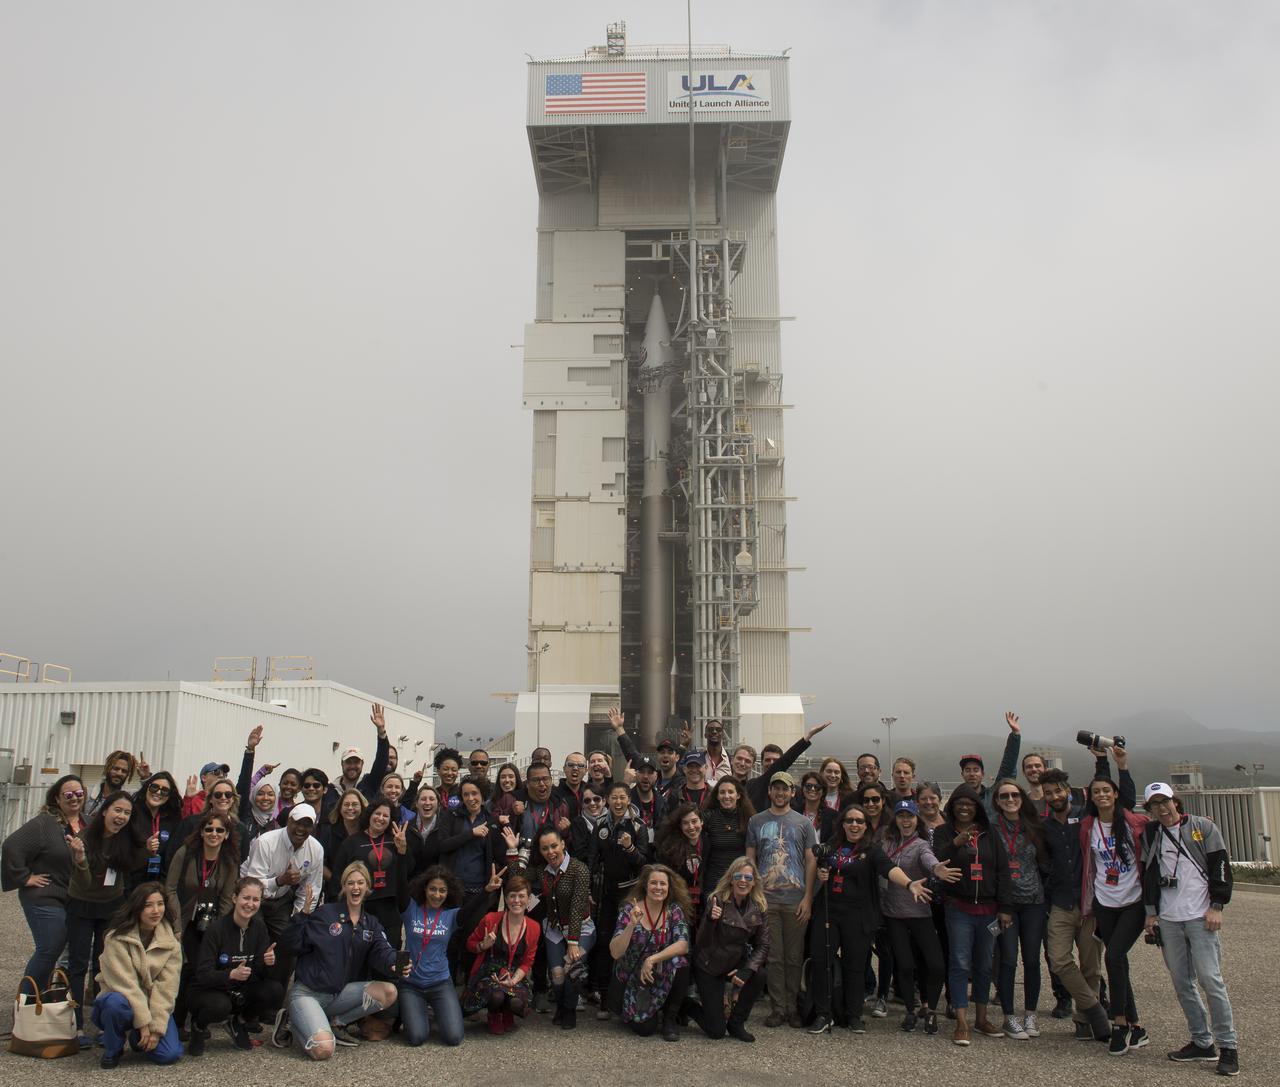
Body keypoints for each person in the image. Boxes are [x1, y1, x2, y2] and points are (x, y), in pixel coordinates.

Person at [807, 802, 936, 1034]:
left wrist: (909, 884)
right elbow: (818, 865)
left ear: (866, 826)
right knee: (821, 961)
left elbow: (887, 868)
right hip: (829, 911)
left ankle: (854, 1014)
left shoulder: (873, 850)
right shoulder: (831, 845)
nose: (854, 825)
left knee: (855, 966)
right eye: (850, 821)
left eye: (859, 821)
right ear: (842, 824)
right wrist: (821, 872)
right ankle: (823, 1013)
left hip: (858, 914)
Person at [1140, 782, 1239, 1076]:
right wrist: (1151, 914)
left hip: (1201, 915)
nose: (1162, 808)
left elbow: (1220, 864)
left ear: (1175, 801)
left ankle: (1228, 1046)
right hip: (1169, 918)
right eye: (1154, 805)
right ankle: (1201, 1040)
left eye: (1165, 801)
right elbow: (1148, 873)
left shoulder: (1201, 827)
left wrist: (1217, 905)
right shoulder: (1151, 833)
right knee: (1182, 981)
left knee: (1211, 980)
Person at [276, 863, 407, 1059]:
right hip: (309, 993)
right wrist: (301, 916)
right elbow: (291, 945)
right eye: (350, 883)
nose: (356, 887)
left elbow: (383, 951)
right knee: (324, 1050)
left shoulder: (370, 923)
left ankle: (335, 1022)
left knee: (389, 992)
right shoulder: (325, 914)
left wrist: (394, 962)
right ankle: (292, 1020)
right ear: (344, 887)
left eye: (360, 883)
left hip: (338, 995)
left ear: (367, 887)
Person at [1080, 746, 1150, 1056]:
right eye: (1097, 791)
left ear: (1115, 794)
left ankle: (1120, 1024)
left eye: (1107, 790)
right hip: (1104, 903)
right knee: (1118, 961)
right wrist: (1098, 762)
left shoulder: (1133, 822)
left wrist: (1120, 766)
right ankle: (1137, 1027)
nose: (1102, 795)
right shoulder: (1088, 826)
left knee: (1113, 957)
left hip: (1133, 901)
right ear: (1091, 797)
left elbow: (1132, 796)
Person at [1040, 767, 1112, 1042]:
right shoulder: (1044, 826)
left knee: (1091, 966)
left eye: (1058, 790)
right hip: (1060, 902)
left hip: (1090, 902)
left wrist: (1102, 758)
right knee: (1058, 960)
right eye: (1048, 793)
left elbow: (1109, 792)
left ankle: (1083, 1020)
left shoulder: (1087, 817)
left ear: (1068, 791)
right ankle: (1094, 1009)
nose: (1054, 796)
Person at [933, 782, 1007, 1045]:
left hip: (988, 910)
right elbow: (936, 859)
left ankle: (982, 1017)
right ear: (952, 807)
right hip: (959, 907)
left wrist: (1005, 907)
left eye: (970, 803)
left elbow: (1002, 871)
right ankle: (962, 1021)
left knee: (984, 965)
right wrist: (956, 843)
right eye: (959, 803)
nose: (964, 808)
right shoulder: (943, 832)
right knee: (960, 963)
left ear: (977, 807)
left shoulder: (990, 833)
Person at [2, 774, 86, 998]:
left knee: (56, 950)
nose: (74, 798)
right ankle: (26, 999)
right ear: (57, 799)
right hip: (43, 895)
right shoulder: (45, 823)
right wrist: (24, 877)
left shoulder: (86, 823)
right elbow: (12, 845)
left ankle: (40, 999)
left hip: (69, 897)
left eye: (79, 793)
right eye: (68, 795)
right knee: (50, 947)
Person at [881, 799, 960, 1034]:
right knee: (904, 965)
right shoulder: (886, 843)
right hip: (893, 913)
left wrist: (937, 869)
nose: (906, 820)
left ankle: (931, 1009)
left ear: (917, 819)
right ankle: (910, 1010)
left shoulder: (921, 844)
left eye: (910, 816)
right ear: (895, 819)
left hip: (919, 912)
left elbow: (929, 859)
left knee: (935, 964)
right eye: (901, 815)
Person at [746, 771, 816, 1029]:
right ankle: (777, 1008)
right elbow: (750, 859)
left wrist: (808, 897)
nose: (780, 793)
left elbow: (810, 860)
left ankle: (792, 1005)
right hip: (767, 900)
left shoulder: (803, 823)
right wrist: (754, 895)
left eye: (785, 789)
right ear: (770, 792)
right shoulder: (756, 821)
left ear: (792, 793)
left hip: (795, 899)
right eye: (776, 789)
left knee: (794, 956)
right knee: (773, 956)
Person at [400, 864, 500, 1045]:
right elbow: (399, 885)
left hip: (440, 983)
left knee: (454, 1037)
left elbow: (470, 909)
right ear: (425, 889)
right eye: (432, 889)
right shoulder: (410, 909)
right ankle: (418, 1011)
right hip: (412, 985)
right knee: (417, 1038)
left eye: (442, 890)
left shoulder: (451, 916)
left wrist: (487, 890)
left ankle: (435, 1010)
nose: (437, 895)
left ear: (448, 893)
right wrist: (401, 854)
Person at [66, 789, 139, 1035]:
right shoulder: (85, 837)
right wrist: (80, 859)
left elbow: (131, 868)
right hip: (82, 905)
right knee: (77, 965)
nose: (121, 816)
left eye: (127, 813)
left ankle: (101, 1023)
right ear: (105, 810)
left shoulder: (126, 840)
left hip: (111, 907)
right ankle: (75, 1023)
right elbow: (84, 883)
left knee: (103, 965)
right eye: (117, 810)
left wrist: (148, 850)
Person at [506, 826, 594, 1029]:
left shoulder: (579, 869)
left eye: (554, 846)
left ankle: (569, 1010)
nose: (550, 852)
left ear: (563, 844)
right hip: (554, 928)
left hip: (580, 928)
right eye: (545, 848)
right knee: (556, 973)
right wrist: (513, 850)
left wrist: (573, 941)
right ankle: (561, 1007)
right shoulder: (541, 871)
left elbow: (577, 907)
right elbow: (516, 878)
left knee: (572, 969)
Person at [164, 809, 240, 1042]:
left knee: (201, 969)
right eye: (209, 829)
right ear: (201, 831)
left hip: (210, 924)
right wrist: (176, 925)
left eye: (219, 830)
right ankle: (175, 1023)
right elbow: (170, 888)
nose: (213, 833)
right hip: (183, 920)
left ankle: (196, 1019)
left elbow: (228, 899)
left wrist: (218, 932)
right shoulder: (185, 853)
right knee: (181, 970)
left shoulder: (229, 862)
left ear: (227, 834)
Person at [187, 876, 284, 1055]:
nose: (250, 904)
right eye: (246, 898)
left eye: (255, 899)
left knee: (274, 990)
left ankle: (238, 1022)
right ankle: (198, 1027)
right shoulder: (216, 929)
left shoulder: (259, 928)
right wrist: (230, 975)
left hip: (240, 988)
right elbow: (202, 974)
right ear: (234, 898)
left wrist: (268, 963)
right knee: (220, 1006)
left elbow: (259, 973)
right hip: (210, 989)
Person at [91, 882, 182, 1068]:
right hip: (122, 1000)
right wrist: (143, 1024)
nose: (156, 910)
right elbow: (126, 984)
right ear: (137, 907)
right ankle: (113, 1049)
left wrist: (155, 1028)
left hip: (151, 1003)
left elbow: (167, 988)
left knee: (169, 1055)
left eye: (160, 903)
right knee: (114, 1004)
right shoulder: (116, 938)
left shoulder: (171, 943)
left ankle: (137, 1038)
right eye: (148, 905)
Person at [991, 779, 1051, 1040]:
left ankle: (1030, 1013)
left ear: (1022, 798)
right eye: (1004, 796)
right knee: (1007, 959)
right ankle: (1008, 1016)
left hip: (1034, 902)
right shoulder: (992, 830)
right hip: (1006, 905)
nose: (1010, 799)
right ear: (997, 801)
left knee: (1032, 960)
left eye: (1015, 795)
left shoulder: (1035, 828)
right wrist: (1001, 904)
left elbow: (1046, 864)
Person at [240, 803, 325, 985]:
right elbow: (251, 884)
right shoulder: (266, 842)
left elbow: (311, 889)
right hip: (253, 899)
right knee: (256, 941)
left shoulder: (316, 849)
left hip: (281, 901)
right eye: (297, 823)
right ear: (288, 821)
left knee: (290, 944)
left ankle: (273, 998)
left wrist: (298, 919)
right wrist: (280, 880)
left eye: (307, 825)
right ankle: (247, 991)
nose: (301, 829)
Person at [688, 857, 770, 1042]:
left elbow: (763, 945)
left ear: (754, 881)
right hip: (709, 964)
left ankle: (736, 1023)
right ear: (731, 879)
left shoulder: (759, 906)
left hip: (733, 962)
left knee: (759, 975)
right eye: (738, 876)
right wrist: (710, 920)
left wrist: (747, 970)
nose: (743, 881)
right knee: (716, 1032)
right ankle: (687, 1006)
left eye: (748, 878)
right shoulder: (717, 900)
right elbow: (702, 942)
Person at [586, 782, 652, 1009]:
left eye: (623, 797)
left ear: (628, 799)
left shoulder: (638, 826)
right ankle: (605, 998)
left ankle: (629, 996)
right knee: (605, 942)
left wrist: (630, 847)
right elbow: (592, 858)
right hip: (606, 892)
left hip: (630, 893)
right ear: (607, 800)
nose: (618, 802)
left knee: (629, 942)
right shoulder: (600, 825)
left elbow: (644, 862)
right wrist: (588, 890)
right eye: (614, 797)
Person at [607, 864, 692, 1040]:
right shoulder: (630, 910)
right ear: (645, 885)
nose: (658, 888)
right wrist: (631, 924)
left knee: (680, 963)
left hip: (659, 972)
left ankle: (670, 1017)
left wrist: (652, 959)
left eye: (663, 884)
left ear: (669, 887)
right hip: (633, 978)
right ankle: (652, 1010)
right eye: (654, 883)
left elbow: (683, 944)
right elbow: (615, 952)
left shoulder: (674, 910)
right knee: (645, 1029)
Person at [330, 799, 411, 960]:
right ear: (369, 815)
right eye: (377, 813)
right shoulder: (352, 842)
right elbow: (338, 877)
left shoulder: (396, 839)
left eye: (385, 816)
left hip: (389, 908)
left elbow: (407, 871)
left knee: (388, 956)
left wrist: (402, 849)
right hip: (360, 907)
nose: (381, 818)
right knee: (359, 957)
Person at [462, 872, 540, 1036]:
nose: (516, 901)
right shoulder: (491, 919)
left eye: (521, 896)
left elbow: (527, 962)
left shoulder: (534, 927)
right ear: (505, 898)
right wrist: (483, 945)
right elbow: (469, 945)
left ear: (528, 899)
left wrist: (514, 980)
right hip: (489, 973)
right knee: (496, 995)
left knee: (518, 1003)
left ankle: (508, 1010)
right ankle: (494, 1014)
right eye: (512, 896)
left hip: (514, 974)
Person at [730, 719, 833, 811]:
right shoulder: (752, 786)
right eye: (767, 760)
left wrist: (807, 737)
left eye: (775, 761)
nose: (771, 763)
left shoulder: (796, 792)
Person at [958, 710, 1023, 817]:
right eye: (968, 770)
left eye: (976, 770)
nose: (972, 774)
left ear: (982, 774)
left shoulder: (993, 795)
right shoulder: (956, 801)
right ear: (962, 774)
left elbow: (1008, 767)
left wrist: (1015, 735)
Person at [171, 779, 251, 864]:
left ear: (233, 799)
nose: (223, 798)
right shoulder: (191, 823)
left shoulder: (241, 829)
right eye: (218, 795)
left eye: (228, 795)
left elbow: (242, 861)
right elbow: (174, 854)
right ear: (210, 799)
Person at [655, 802, 708, 927]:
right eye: (685, 823)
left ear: (702, 822)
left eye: (694, 821)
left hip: (699, 899)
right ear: (680, 826)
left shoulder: (707, 841)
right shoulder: (670, 847)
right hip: (676, 899)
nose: (691, 827)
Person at [129, 771, 183, 885]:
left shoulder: (171, 819)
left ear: (169, 796)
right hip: (130, 882)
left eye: (164, 790)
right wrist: (146, 850)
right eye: (154, 787)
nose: (158, 792)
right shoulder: (132, 813)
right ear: (146, 788)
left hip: (158, 883)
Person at [702, 777, 754, 892]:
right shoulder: (708, 817)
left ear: (738, 795)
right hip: (714, 882)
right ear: (717, 796)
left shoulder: (748, 819)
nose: (726, 796)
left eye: (730, 792)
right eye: (722, 792)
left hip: (739, 881)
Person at [320, 787, 366, 883]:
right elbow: (320, 863)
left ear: (362, 807)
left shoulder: (368, 831)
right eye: (346, 804)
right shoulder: (329, 832)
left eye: (355, 804)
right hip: (336, 888)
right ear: (340, 808)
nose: (350, 808)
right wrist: (337, 882)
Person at [86, 751, 141, 818]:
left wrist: (145, 777)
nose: (119, 773)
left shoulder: (130, 797)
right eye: (116, 769)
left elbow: (148, 796)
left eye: (124, 771)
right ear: (107, 768)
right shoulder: (87, 793)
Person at [793, 770, 837, 842]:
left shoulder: (833, 816)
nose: (812, 789)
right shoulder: (793, 813)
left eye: (817, 787)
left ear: (823, 791)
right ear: (803, 788)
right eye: (808, 786)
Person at [629, 756, 668, 831]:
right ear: (635, 774)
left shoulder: (663, 803)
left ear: (656, 776)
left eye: (650, 772)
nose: (645, 776)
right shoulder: (627, 801)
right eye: (642, 771)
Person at [434, 747, 465, 812]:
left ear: (457, 772)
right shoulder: (433, 794)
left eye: (454, 770)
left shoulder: (463, 793)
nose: (449, 773)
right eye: (445, 769)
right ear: (438, 771)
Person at [701, 720, 731, 785]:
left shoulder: (730, 760)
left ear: (722, 735)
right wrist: (683, 746)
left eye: (718, 730)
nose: (714, 732)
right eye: (710, 729)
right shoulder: (699, 759)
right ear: (705, 735)